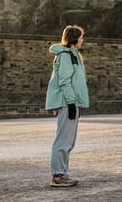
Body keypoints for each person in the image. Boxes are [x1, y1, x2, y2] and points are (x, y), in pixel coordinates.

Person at [45, 24, 89, 187]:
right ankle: (58, 175)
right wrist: (70, 103)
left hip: (70, 102)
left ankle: (62, 173)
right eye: (81, 37)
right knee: (63, 140)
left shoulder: (72, 55)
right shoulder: (65, 56)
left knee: (68, 141)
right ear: (75, 39)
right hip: (66, 103)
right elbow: (64, 81)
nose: (83, 40)